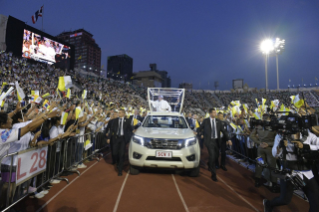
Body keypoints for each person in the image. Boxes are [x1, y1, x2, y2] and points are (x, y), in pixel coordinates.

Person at [263, 132, 319, 212]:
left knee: (316, 203)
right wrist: (280, 147)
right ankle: (268, 204)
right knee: (285, 199)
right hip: (289, 172)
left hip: (307, 172)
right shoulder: (280, 135)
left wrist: (305, 146)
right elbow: (275, 154)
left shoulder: (307, 133)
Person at [199, 108, 232, 182]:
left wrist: (228, 139)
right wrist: (199, 133)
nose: (215, 113)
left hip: (217, 141)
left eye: (215, 112)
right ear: (210, 113)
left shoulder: (218, 122)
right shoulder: (206, 121)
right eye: (214, 112)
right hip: (209, 141)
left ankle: (209, 163)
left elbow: (224, 131)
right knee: (212, 156)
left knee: (216, 156)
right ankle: (213, 174)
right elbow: (201, 128)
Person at [250, 114, 279, 192]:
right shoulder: (273, 126)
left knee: (259, 164)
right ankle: (274, 184)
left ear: (262, 118)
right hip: (270, 148)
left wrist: (259, 143)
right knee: (272, 166)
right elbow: (277, 139)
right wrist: (268, 144)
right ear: (269, 118)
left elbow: (251, 136)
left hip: (260, 148)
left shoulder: (258, 126)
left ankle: (257, 181)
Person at [107, 109, 133, 176]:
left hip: (123, 139)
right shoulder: (115, 120)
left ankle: (120, 170)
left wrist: (129, 137)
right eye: (119, 112)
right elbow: (112, 129)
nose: (119, 113)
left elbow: (130, 129)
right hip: (116, 139)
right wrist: (109, 138)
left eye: (120, 112)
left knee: (121, 154)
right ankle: (118, 163)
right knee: (115, 153)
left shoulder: (127, 121)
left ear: (123, 113)